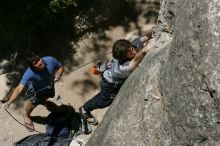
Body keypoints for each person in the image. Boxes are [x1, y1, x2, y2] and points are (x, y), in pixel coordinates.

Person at [79, 32, 155, 125]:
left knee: (103, 95)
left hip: (109, 78)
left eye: (131, 49)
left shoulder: (129, 47)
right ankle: (84, 109)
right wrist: (146, 48)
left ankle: (94, 100)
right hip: (110, 84)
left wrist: (152, 34)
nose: (133, 52)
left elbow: (143, 38)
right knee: (105, 101)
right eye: (130, 53)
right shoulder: (122, 67)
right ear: (123, 57)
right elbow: (135, 61)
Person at [2, 53, 64, 132]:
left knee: (49, 96)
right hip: (36, 90)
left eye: (39, 59)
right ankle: (26, 116)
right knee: (31, 104)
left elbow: (60, 66)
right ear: (32, 66)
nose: (39, 63)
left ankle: (44, 102)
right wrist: (8, 102)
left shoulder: (50, 60)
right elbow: (19, 88)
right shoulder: (29, 73)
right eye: (35, 63)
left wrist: (58, 75)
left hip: (49, 86)